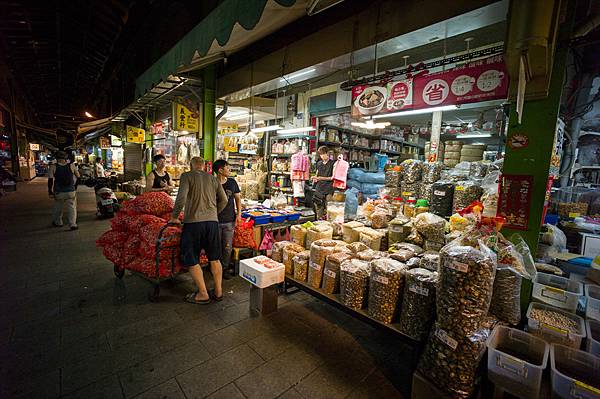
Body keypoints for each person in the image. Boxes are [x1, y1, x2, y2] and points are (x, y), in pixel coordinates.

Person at [169, 157, 228, 304]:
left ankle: (203, 293)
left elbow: (181, 197)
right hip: (212, 223)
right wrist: (214, 213)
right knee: (214, 258)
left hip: (193, 223)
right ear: (203, 166)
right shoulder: (213, 179)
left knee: (191, 258)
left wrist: (174, 217)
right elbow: (225, 200)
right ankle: (219, 292)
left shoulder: (186, 176)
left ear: (191, 166)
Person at [212, 159, 241, 279]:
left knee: (227, 247)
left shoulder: (232, 182)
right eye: (227, 168)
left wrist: (239, 214)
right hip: (214, 220)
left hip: (229, 220)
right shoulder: (212, 183)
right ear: (220, 170)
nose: (230, 170)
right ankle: (215, 268)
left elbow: (238, 199)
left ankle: (224, 268)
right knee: (215, 246)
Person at [48, 150, 80, 230]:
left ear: (57, 158)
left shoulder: (53, 166)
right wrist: (75, 187)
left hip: (59, 192)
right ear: (66, 158)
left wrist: (50, 191)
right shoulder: (71, 165)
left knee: (58, 207)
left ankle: (58, 222)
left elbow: (50, 180)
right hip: (71, 191)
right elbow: (79, 177)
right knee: (72, 208)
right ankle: (73, 224)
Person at [312, 146, 334, 220]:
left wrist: (320, 178)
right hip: (319, 188)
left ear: (327, 153)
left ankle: (329, 223)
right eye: (321, 154)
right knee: (319, 207)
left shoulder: (332, 163)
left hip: (329, 188)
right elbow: (317, 174)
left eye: (323, 154)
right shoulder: (319, 163)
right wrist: (315, 178)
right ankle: (319, 221)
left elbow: (332, 177)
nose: (322, 156)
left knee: (329, 207)